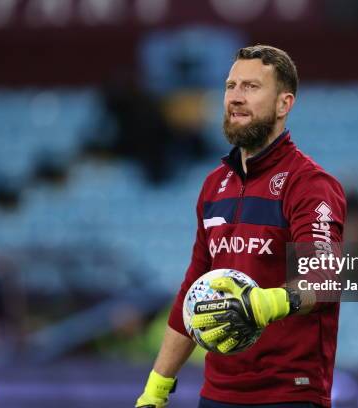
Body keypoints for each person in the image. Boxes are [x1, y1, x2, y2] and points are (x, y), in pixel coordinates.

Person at [135, 45, 346, 408]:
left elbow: (325, 280)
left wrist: (266, 303)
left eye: (251, 87)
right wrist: (156, 386)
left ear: (284, 104)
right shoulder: (214, 186)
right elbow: (192, 290)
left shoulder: (309, 184)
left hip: (288, 394)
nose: (235, 97)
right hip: (217, 394)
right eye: (230, 86)